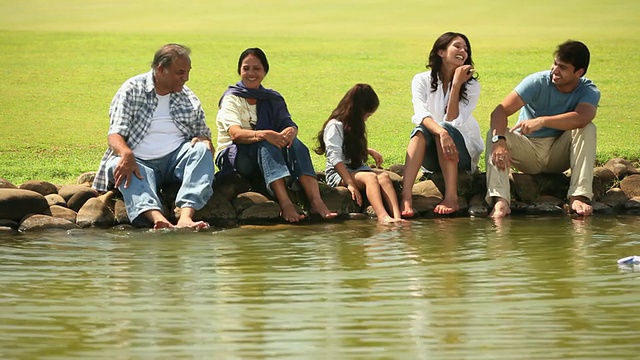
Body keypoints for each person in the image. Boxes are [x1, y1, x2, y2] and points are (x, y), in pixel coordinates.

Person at [92, 43, 215, 230]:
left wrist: (205, 141)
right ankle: (157, 218)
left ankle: (186, 216)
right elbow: (114, 135)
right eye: (180, 72)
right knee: (118, 164)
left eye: (188, 72)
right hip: (139, 162)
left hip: (175, 162)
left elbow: (202, 133)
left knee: (201, 150)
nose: (186, 78)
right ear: (161, 69)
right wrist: (126, 153)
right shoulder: (131, 89)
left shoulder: (188, 96)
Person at [215, 47, 337, 223]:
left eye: (256, 68)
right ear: (239, 70)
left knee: (296, 144)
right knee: (267, 144)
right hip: (235, 155)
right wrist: (264, 134)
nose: (251, 73)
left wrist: (291, 131)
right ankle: (285, 203)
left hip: (267, 151)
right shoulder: (232, 98)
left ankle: (316, 201)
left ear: (265, 71)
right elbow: (235, 134)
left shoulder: (272, 97)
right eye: (246, 68)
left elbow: (286, 122)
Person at [486, 40, 600, 218]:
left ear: (579, 72)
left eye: (562, 67)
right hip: (528, 150)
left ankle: (579, 196)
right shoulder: (537, 82)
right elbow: (499, 112)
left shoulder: (588, 90)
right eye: (555, 64)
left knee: (587, 128)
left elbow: (583, 116)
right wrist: (499, 141)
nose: (555, 71)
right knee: (495, 134)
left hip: (559, 153)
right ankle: (501, 201)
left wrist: (543, 121)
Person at [400, 32, 483, 217]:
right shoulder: (421, 80)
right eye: (458, 46)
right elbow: (421, 114)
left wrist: (456, 85)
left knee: (443, 129)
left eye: (466, 49)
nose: (463, 51)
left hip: (462, 153)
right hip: (434, 155)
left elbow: (453, 120)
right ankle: (406, 195)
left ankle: (451, 197)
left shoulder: (471, 86)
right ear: (441, 52)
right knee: (420, 131)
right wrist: (441, 133)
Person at [315, 84, 404, 224]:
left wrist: (368, 150)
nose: (367, 119)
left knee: (384, 177)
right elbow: (335, 158)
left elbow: (349, 146)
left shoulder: (354, 124)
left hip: (357, 169)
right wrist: (350, 183)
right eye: (367, 115)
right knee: (370, 178)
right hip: (339, 173)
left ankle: (397, 216)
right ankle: (382, 216)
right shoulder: (334, 126)